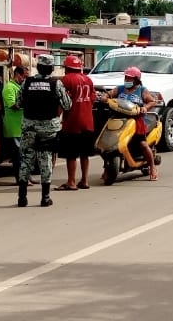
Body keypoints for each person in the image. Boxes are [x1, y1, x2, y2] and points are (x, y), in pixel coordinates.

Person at [17, 55, 71, 207]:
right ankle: (45, 198)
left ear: (38, 67)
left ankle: (22, 198)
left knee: (26, 159)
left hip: (29, 127)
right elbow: (67, 105)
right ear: (52, 69)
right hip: (48, 129)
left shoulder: (27, 82)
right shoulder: (56, 83)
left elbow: (19, 102)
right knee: (45, 160)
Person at [101, 67, 160, 181]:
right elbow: (108, 95)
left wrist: (145, 107)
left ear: (136, 80)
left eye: (129, 78)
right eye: (126, 77)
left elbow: (152, 101)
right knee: (108, 144)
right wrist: (105, 98)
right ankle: (106, 168)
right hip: (119, 119)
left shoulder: (142, 90)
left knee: (142, 144)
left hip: (136, 120)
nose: (126, 80)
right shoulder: (120, 89)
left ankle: (152, 167)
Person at [58, 55, 95, 191]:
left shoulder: (66, 80)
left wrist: (57, 117)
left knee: (71, 154)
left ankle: (71, 182)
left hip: (72, 122)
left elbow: (62, 102)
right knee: (85, 153)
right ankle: (84, 180)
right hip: (88, 121)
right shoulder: (88, 80)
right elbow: (92, 98)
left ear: (67, 68)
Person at [2, 65, 27, 183]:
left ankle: (26, 177)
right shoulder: (9, 88)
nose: (24, 79)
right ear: (18, 75)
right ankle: (20, 179)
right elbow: (12, 104)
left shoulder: (19, 87)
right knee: (18, 156)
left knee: (24, 155)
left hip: (21, 126)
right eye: (23, 76)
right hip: (13, 127)